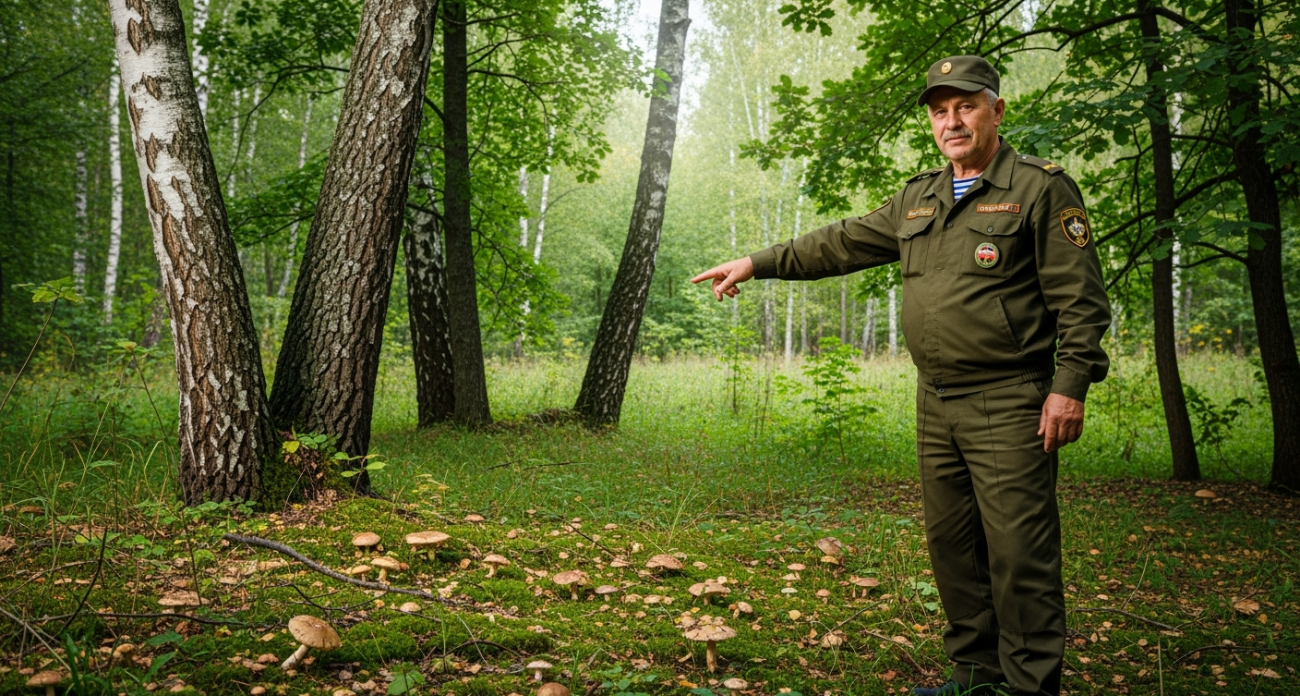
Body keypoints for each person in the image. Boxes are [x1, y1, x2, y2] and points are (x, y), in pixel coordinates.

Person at [691, 55, 1111, 696]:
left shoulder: (1039, 189)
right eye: (940, 111)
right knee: (954, 550)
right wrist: (756, 261)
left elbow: (1081, 302)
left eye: (966, 106)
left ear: (996, 110)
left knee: (1019, 556)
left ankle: (1030, 687)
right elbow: (839, 242)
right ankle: (976, 679)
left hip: (1010, 399)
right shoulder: (920, 197)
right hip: (936, 401)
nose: (952, 121)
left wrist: (1069, 385)